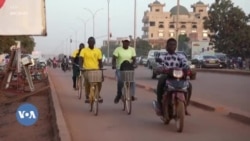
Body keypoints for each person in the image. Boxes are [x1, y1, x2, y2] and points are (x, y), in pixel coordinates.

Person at [153, 38, 192, 115]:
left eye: (174, 45)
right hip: (167, 76)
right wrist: (160, 69)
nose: (172, 46)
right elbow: (160, 64)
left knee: (189, 86)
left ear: (176, 46)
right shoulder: (163, 56)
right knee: (161, 81)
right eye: (170, 44)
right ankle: (160, 106)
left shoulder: (180, 56)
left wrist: (188, 69)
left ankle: (185, 106)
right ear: (167, 46)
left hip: (179, 76)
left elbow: (185, 64)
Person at [112, 38, 137, 104]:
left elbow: (134, 59)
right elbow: (114, 58)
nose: (126, 43)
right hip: (120, 68)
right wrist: (113, 65)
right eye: (125, 42)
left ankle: (132, 95)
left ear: (129, 43)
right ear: (122, 42)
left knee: (133, 81)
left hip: (129, 68)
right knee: (120, 81)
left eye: (127, 42)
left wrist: (134, 64)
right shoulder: (118, 49)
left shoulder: (132, 50)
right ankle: (119, 94)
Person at [79, 37, 103, 103]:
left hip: (96, 70)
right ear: (88, 43)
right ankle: (87, 95)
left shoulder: (98, 51)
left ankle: (98, 94)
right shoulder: (84, 50)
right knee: (87, 82)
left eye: (92, 42)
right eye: (90, 42)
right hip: (87, 70)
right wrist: (81, 67)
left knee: (99, 82)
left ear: (94, 43)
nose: (91, 43)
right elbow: (81, 59)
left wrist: (102, 72)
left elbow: (100, 62)